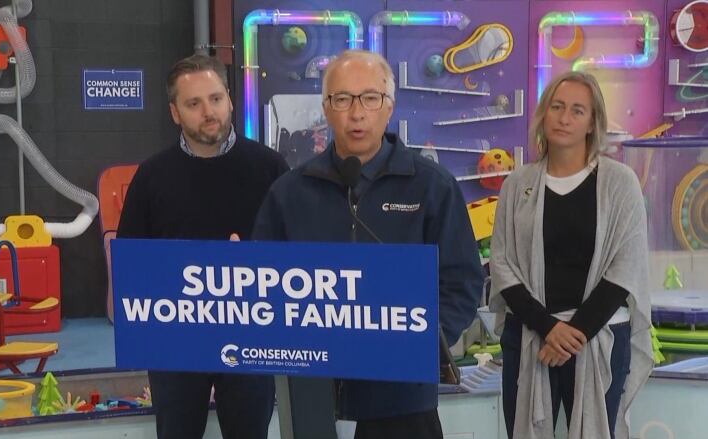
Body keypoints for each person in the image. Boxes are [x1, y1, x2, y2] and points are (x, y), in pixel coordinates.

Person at [253, 49, 484, 439]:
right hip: (313, 397)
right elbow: (263, 282)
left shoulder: (431, 186)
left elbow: (461, 282)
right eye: (342, 99)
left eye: (370, 98)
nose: (356, 113)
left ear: (389, 106)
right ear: (326, 109)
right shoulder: (289, 192)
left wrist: (420, 341)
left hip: (403, 400)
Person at [116, 54, 289, 439]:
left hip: (250, 333)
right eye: (193, 104)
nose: (208, 112)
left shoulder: (271, 168)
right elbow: (130, 262)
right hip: (174, 340)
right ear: (175, 113)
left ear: (230, 99)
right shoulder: (151, 176)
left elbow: (295, 257)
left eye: (215, 98)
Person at [489, 71, 653, 439]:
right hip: (532, 336)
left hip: (599, 337)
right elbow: (501, 264)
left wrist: (574, 333)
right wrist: (549, 329)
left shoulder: (619, 183)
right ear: (543, 114)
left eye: (577, 111)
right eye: (557, 107)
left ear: (593, 123)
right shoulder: (517, 185)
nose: (564, 118)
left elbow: (625, 267)